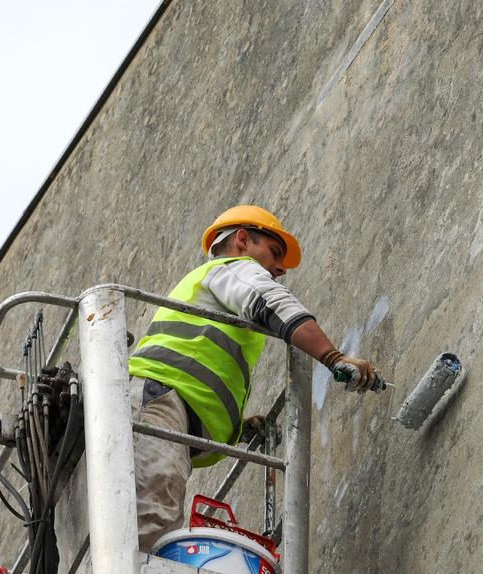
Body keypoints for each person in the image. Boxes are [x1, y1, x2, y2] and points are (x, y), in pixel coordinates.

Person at [127, 204, 381, 551]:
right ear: (242, 241)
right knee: (150, 527)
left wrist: (237, 428)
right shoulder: (232, 268)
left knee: (154, 522)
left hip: (161, 405)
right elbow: (272, 302)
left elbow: (200, 370)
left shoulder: (212, 288)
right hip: (158, 401)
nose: (280, 269)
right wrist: (333, 358)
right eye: (275, 253)